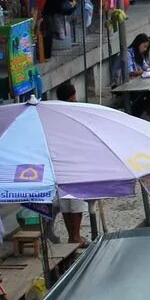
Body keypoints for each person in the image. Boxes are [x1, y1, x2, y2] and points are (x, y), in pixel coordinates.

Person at [54, 82, 89, 245]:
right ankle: (75, 236)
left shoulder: (54, 113)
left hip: (61, 164)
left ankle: (72, 235)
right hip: (73, 164)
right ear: (72, 96)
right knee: (74, 203)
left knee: (67, 203)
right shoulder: (73, 112)